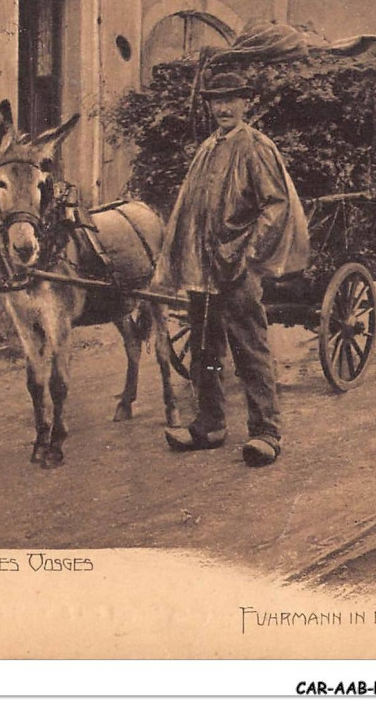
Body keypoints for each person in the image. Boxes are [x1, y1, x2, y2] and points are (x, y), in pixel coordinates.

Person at [153, 70, 310, 466]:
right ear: (209, 105)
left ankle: (266, 433)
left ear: (246, 103)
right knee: (204, 349)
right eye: (216, 101)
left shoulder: (255, 147)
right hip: (203, 268)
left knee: (249, 348)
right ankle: (209, 424)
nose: (223, 107)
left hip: (237, 267)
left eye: (231, 100)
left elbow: (276, 206)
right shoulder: (207, 148)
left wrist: (251, 257)